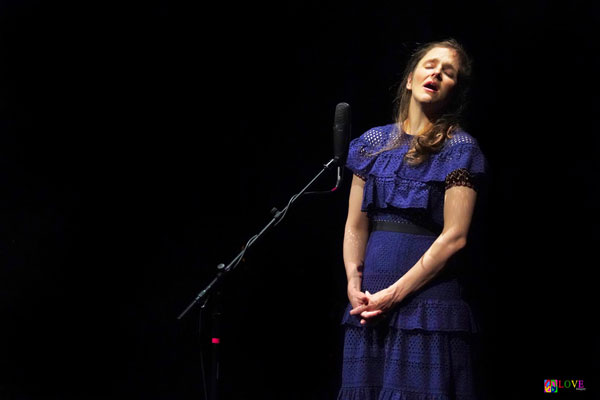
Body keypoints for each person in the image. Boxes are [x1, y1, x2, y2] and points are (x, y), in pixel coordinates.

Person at [338, 39, 487, 399]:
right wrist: (353, 282)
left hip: (428, 309)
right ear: (409, 79)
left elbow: (455, 237)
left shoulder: (460, 149)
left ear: (454, 90)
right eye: (430, 64)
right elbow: (355, 224)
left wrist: (395, 294)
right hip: (369, 306)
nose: (436, 72)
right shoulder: (371, 143)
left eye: (448, 72)